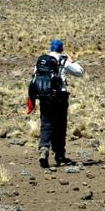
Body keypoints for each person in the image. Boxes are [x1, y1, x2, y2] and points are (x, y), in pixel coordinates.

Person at [31, 39, 85, 168]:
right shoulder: (63, 60)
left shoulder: (42, 61)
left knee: (46, 123)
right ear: (61, 48)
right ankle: (59, 155)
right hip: (60, 96)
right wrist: (72, 61)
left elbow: (35, 75)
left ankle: (44, 149)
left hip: (44, 96)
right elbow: (80, 72)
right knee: (60, 125)